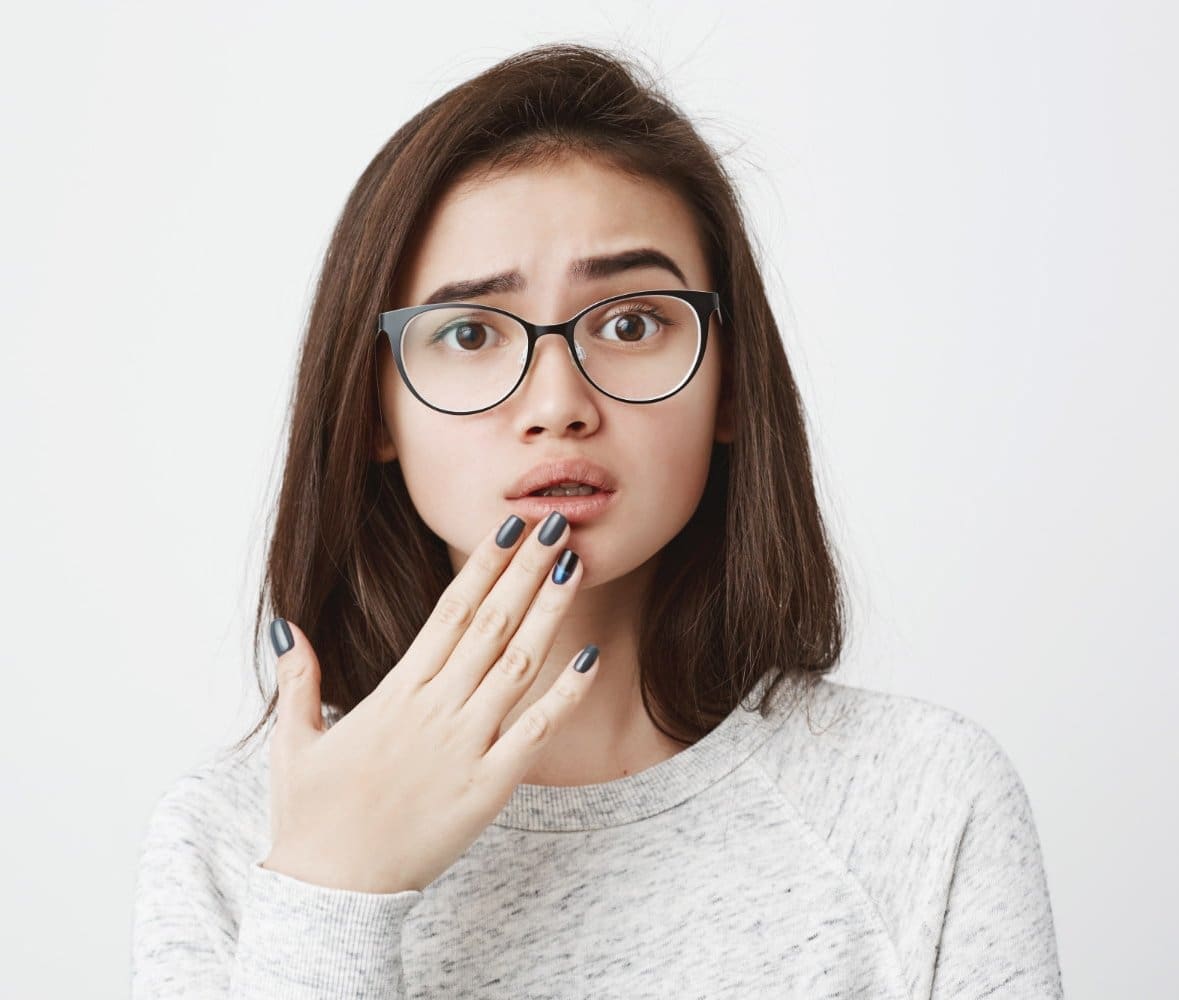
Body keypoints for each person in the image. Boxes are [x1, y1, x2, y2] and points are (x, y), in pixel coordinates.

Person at [130, 42, 1064, 999]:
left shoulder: (920, 799)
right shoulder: (236, 835)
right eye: (467, 333)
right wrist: (330, 891)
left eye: (629, 324)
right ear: (375, 412)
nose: (556, 404)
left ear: (731, 383)